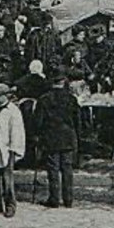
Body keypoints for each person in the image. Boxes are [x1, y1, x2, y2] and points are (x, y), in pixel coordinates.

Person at [37, 70, 81, 208]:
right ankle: (68, 199)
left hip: (51, 137)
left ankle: (54, 199)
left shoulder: (44, 99)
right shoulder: (71, 99)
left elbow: (38, 121)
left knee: (53, 168)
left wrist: (38, 135)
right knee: (67, 168)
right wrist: (77, 134)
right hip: (67, 136)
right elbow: (78, 120)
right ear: (63, 83)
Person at [0, 83, 25, 217]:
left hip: (6, 148)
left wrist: (14, 149)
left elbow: (17, 132)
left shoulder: (13, 111)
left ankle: (10, 205)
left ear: (6, 96)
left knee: (7, 179)